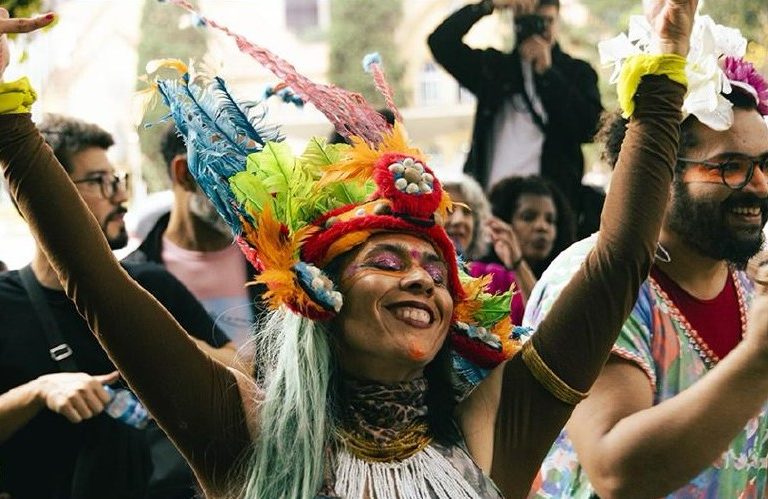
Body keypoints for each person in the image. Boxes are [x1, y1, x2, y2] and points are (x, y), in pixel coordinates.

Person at [0, 0, 695, 496]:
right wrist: (7, 112)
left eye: (434, 269)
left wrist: (662, 75)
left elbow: (618, 260)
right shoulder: (245, 431)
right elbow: (98, 283)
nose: (424, 281)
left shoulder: (494, 427)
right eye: (387, 262)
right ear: (319, 294)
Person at [525, 15, 768, 497]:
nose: (758, 186)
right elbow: (617, 472)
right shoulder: (595, 282)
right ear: (661, 173)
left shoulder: (749, 284)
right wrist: (759, 360)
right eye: (730, 167)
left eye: (764, 165)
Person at [0, 114, 234, 498]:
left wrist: (169, 345)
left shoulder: (151, 285)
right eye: (98, 182)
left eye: (117, 180)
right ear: (35, 193)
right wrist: (38, 392)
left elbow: (241, 373)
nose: (120, 196)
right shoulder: (5, 304)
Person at [427, 0, 603, 235]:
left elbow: (591, 127)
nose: (537, 29)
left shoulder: (576, 72)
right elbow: (441, 43)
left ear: (557, 20)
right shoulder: (494, 69)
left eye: (546, 22)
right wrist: (487, 5)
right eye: (527, 21)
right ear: (513, 22)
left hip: (549, 213)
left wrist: (548, 73)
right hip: (491, 207)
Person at [125, 125, 265, 348]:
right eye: (234, 172)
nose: (251, 191)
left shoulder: (278, 263)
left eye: (257, 174)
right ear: (184, 173)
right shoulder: (132, 282)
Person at [442, 173, 528, 325]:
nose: (459, 220)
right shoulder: (414, 274)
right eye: (448, 209)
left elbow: (542, 317)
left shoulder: (496, 278)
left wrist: (518, 263)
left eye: (467, 212)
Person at [488, 175, 575, 278]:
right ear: (504, 222)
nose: (542, 227)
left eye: (550, 220)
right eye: (528, 217)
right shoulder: (478, 277)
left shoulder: (568, 278)